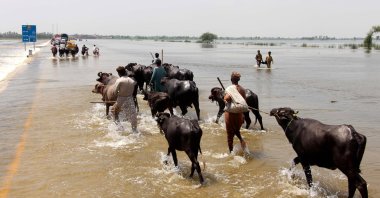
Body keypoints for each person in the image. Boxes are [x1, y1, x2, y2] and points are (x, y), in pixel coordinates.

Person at [224, 72, 247, 153]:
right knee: (236, 131)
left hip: (230, 115)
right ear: (239, 79)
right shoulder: (243, 89)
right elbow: (243, 102)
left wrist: (224, 99)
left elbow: (227, 98)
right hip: (240, 115)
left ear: (231, 79)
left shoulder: (230, 88)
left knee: (230, 136)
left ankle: (231, 153)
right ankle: (241, 141)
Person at [112, 66, 138, 133]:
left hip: (121, 99)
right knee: (132, 115)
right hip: (130, 99)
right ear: (125, 72)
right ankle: (134, 129)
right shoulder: (132, 81)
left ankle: (119, 127)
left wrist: (118, 94)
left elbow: (115, 92)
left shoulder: (119, 80)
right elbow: (134, 92)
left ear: (118, 73)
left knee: (114, 112)